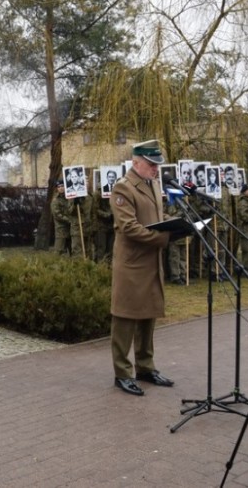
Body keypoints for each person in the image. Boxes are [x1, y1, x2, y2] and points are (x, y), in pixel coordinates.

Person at [109, 139, 173, 396]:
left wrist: (176, 223)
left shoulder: (153, 184)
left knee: (148, 315)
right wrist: (163, 237)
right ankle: (122, 373)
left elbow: (155, 217)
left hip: (150, 261)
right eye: (151, 164)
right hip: (132, 264)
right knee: (125, 318)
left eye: (157, 165)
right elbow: (129, 227)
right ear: (136, 163)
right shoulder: (123, 188)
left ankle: (145, 367)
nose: (156, 169)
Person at [51, 179, 72, 254]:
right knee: (59, 250)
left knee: (72, 249)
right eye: (59, 186)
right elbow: (57, 215)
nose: (61, 188)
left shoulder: (69, 198)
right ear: (57, 188)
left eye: (62, 186)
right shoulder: (55, 200)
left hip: (71, 228)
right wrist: (69, 220)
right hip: (61, 228)